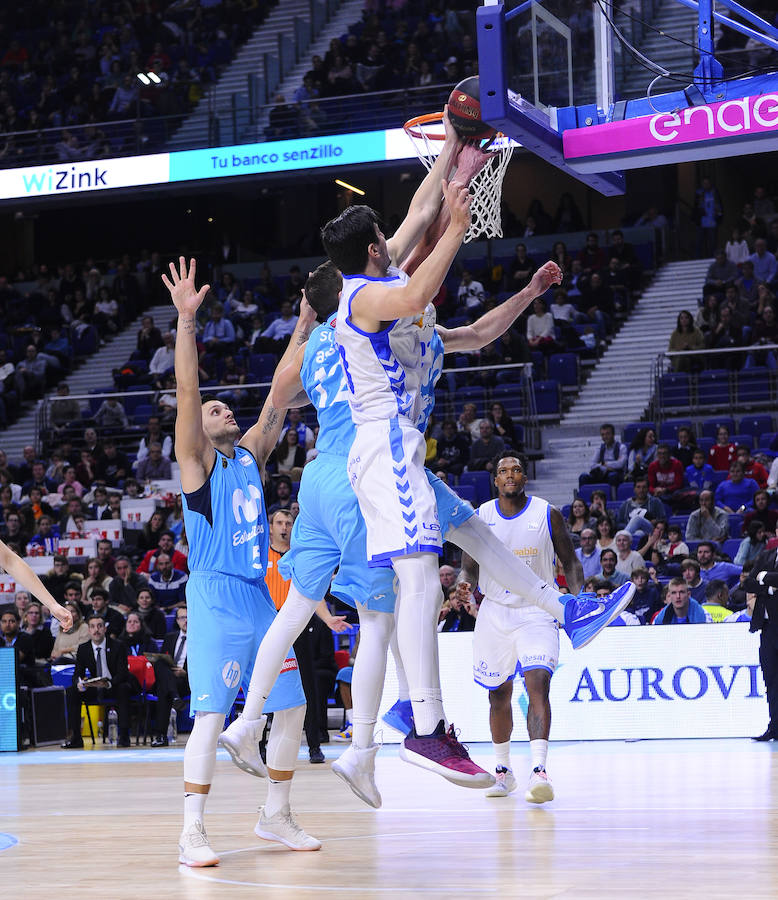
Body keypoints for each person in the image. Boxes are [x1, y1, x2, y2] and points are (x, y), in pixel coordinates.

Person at [221, 243, 631, 806]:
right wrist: (448, 195)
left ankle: (250, 723)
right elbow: (403, 254)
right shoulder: (371, 324)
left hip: (328, 473)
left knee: (451, 541)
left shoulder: (336, 338)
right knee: (385, 608)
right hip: (362, 471)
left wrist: (529, 292)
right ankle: (395, 726)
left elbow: (474, 328)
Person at [162, 256, 318, 866]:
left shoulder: (250, 456)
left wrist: (304, 322)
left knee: (295, 706)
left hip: (258, 596)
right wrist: (185, 323)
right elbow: (188, 392)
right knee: (208, 715)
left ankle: (275, 815)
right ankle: (192, 830)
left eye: (229, 408)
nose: (224, 409)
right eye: (215, 410)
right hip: (212, 598)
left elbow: (280, 394)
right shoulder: (197, 466)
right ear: (198, 432)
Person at [457, 453, 584, 802]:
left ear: (524, 478)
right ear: (495, 480)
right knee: (498, 694)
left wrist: (580, 600)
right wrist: (464, 583)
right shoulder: (479, 517)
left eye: (515, 470)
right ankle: (503, 771)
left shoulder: (547, 513)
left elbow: (571, 563)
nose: (509, 475)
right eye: (502, 471)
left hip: (537, 610)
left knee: (537, 683)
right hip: (495, 613)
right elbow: (469, 567)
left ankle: (540, 770)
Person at [62, 613, 132, 748]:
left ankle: (124, 736)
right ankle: (76, 737)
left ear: (105, 629)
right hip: (94, 687)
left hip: (113, 685)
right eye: (92, 627)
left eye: (99, 626)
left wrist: (109, 683)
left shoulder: (118, 646)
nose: (96, 630)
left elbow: (123, 673)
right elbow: (77, 674)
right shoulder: (84, 649)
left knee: (124, 688)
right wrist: (80, 683)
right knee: (72, 691)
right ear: (88, 630)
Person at [152, 606, 191, 747]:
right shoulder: (170, 637)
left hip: (187, 681)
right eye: (182, 618)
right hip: (171, 679)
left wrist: (184, 673)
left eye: (188, 617)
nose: (185, 621)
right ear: (177, 620)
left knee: (164, 690)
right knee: (159, 663)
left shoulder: (200, 639)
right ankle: (175, 696)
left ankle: (161, 736)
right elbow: (163, 660)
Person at [579, 423, 626, 489]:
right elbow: (592, 465)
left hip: (616, 475)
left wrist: (603, 464)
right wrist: (606, 466)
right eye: (603, 435)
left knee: (612, 476)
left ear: (613, 434)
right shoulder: (599, 449)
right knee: (583, 477)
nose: (605, 437)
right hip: (601, 475)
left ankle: (613, 497)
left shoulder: (622, 447)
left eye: (607, 434)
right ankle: (582, 499)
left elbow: (620, 464)